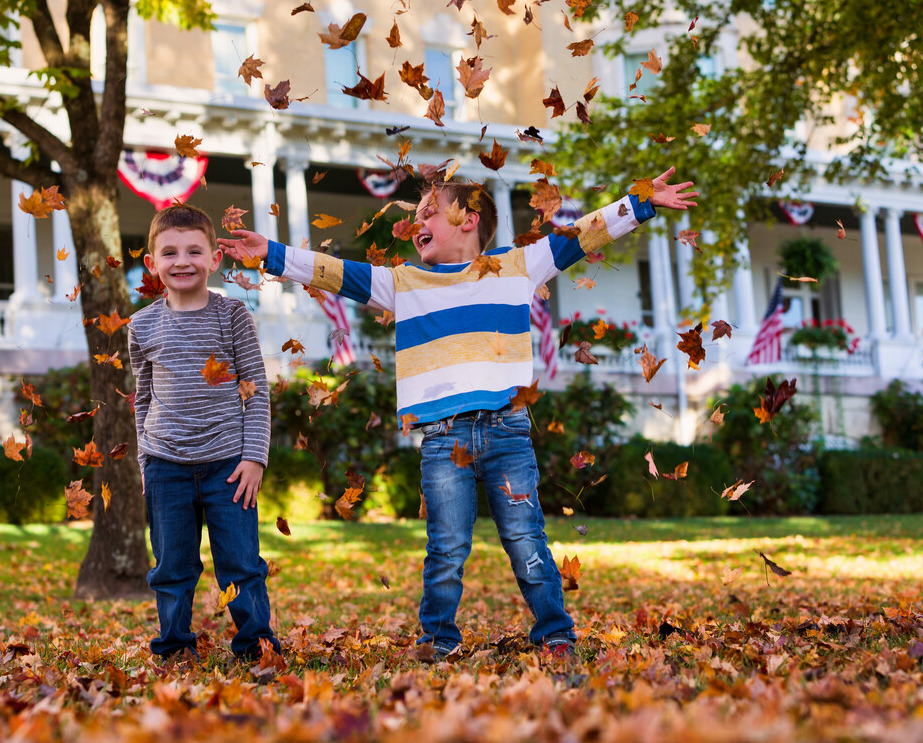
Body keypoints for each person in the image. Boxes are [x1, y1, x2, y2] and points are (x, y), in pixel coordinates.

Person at [220, 168, 697, 659]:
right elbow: (336, 272)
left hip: (508, 434)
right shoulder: (403, 283)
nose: (416, 223)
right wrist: (272, 255)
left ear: (468, 219)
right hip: (444, 440)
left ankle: (556, 633)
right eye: (417, 215)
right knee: (446, 547)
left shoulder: (516, 266)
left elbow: (582, 233)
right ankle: (438, 639)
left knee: (525, 539)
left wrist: (641, 202)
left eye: (430, 213)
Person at [129, 203, 279, 663]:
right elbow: (142, 399)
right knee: (172, 566)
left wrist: (253, 458)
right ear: (152, 264)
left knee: (240, 564)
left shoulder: (232, 316)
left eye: (194, 251)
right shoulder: (141, 325)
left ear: (215, 258)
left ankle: (256, 646)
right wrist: (144, 464)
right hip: (165, 465)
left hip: (227, 467)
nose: (182, 261)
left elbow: (255, 392)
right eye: (169, 253)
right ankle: (174, 647)